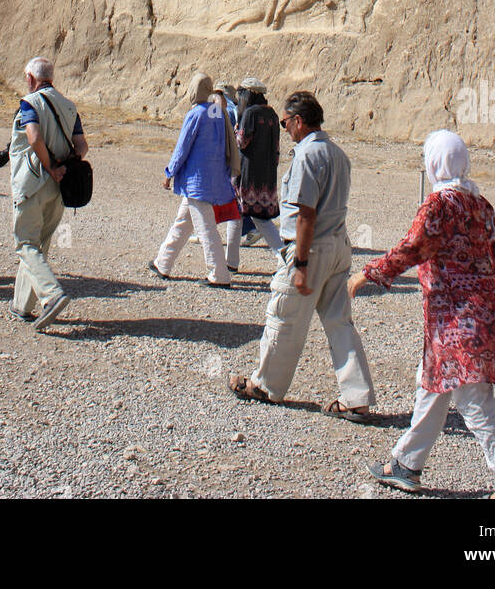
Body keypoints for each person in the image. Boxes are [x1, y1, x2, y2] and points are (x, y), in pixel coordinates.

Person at [350, 129, 495, 499]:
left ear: (434, 163)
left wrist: (368, 273)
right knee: (431, 385)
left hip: (458, 323)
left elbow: (413, 248)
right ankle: (406, 464)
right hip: (478, 317)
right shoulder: (480, 204)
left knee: (475, 402)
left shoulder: (438, 206)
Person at [229, 91, 376, 418]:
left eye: (285, 122)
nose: (285, 128)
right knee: (340, 323)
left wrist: (301, 264)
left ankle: (266, 385)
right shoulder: (338, 153)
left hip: (311, 246)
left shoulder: (308, 156)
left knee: (284, 315)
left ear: (297, 120)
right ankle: (357, 397)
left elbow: (306, 215)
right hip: (338, 244)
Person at [9, 56, 88, 332]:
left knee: (26, 243)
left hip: (34, 184)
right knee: (39, 244)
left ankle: (51, 295)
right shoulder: (69, 106)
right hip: (59, 190)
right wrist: (63, 167)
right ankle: (22, 304)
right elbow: (82, 146)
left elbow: (33, 136)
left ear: (31, 79)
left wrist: (51, 166)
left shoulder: (30, 102)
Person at [150, 72, 234, 287]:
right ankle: (163, 263)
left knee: (206, 228)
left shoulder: (195, 114)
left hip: (197, 181)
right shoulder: (216, 111)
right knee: (183, 223)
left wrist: (170, 172)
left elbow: (182, 147)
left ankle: (219, 275)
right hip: (213, 177)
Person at [225, 77, 283, 270]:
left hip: (247, 175)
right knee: (255, 218)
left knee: (244, 216)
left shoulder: (250, 113)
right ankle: (231, 262)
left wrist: (235, 131)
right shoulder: (272, 114)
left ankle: (232, 263)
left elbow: (241, 142)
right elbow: (276, 148)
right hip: (266, 175)